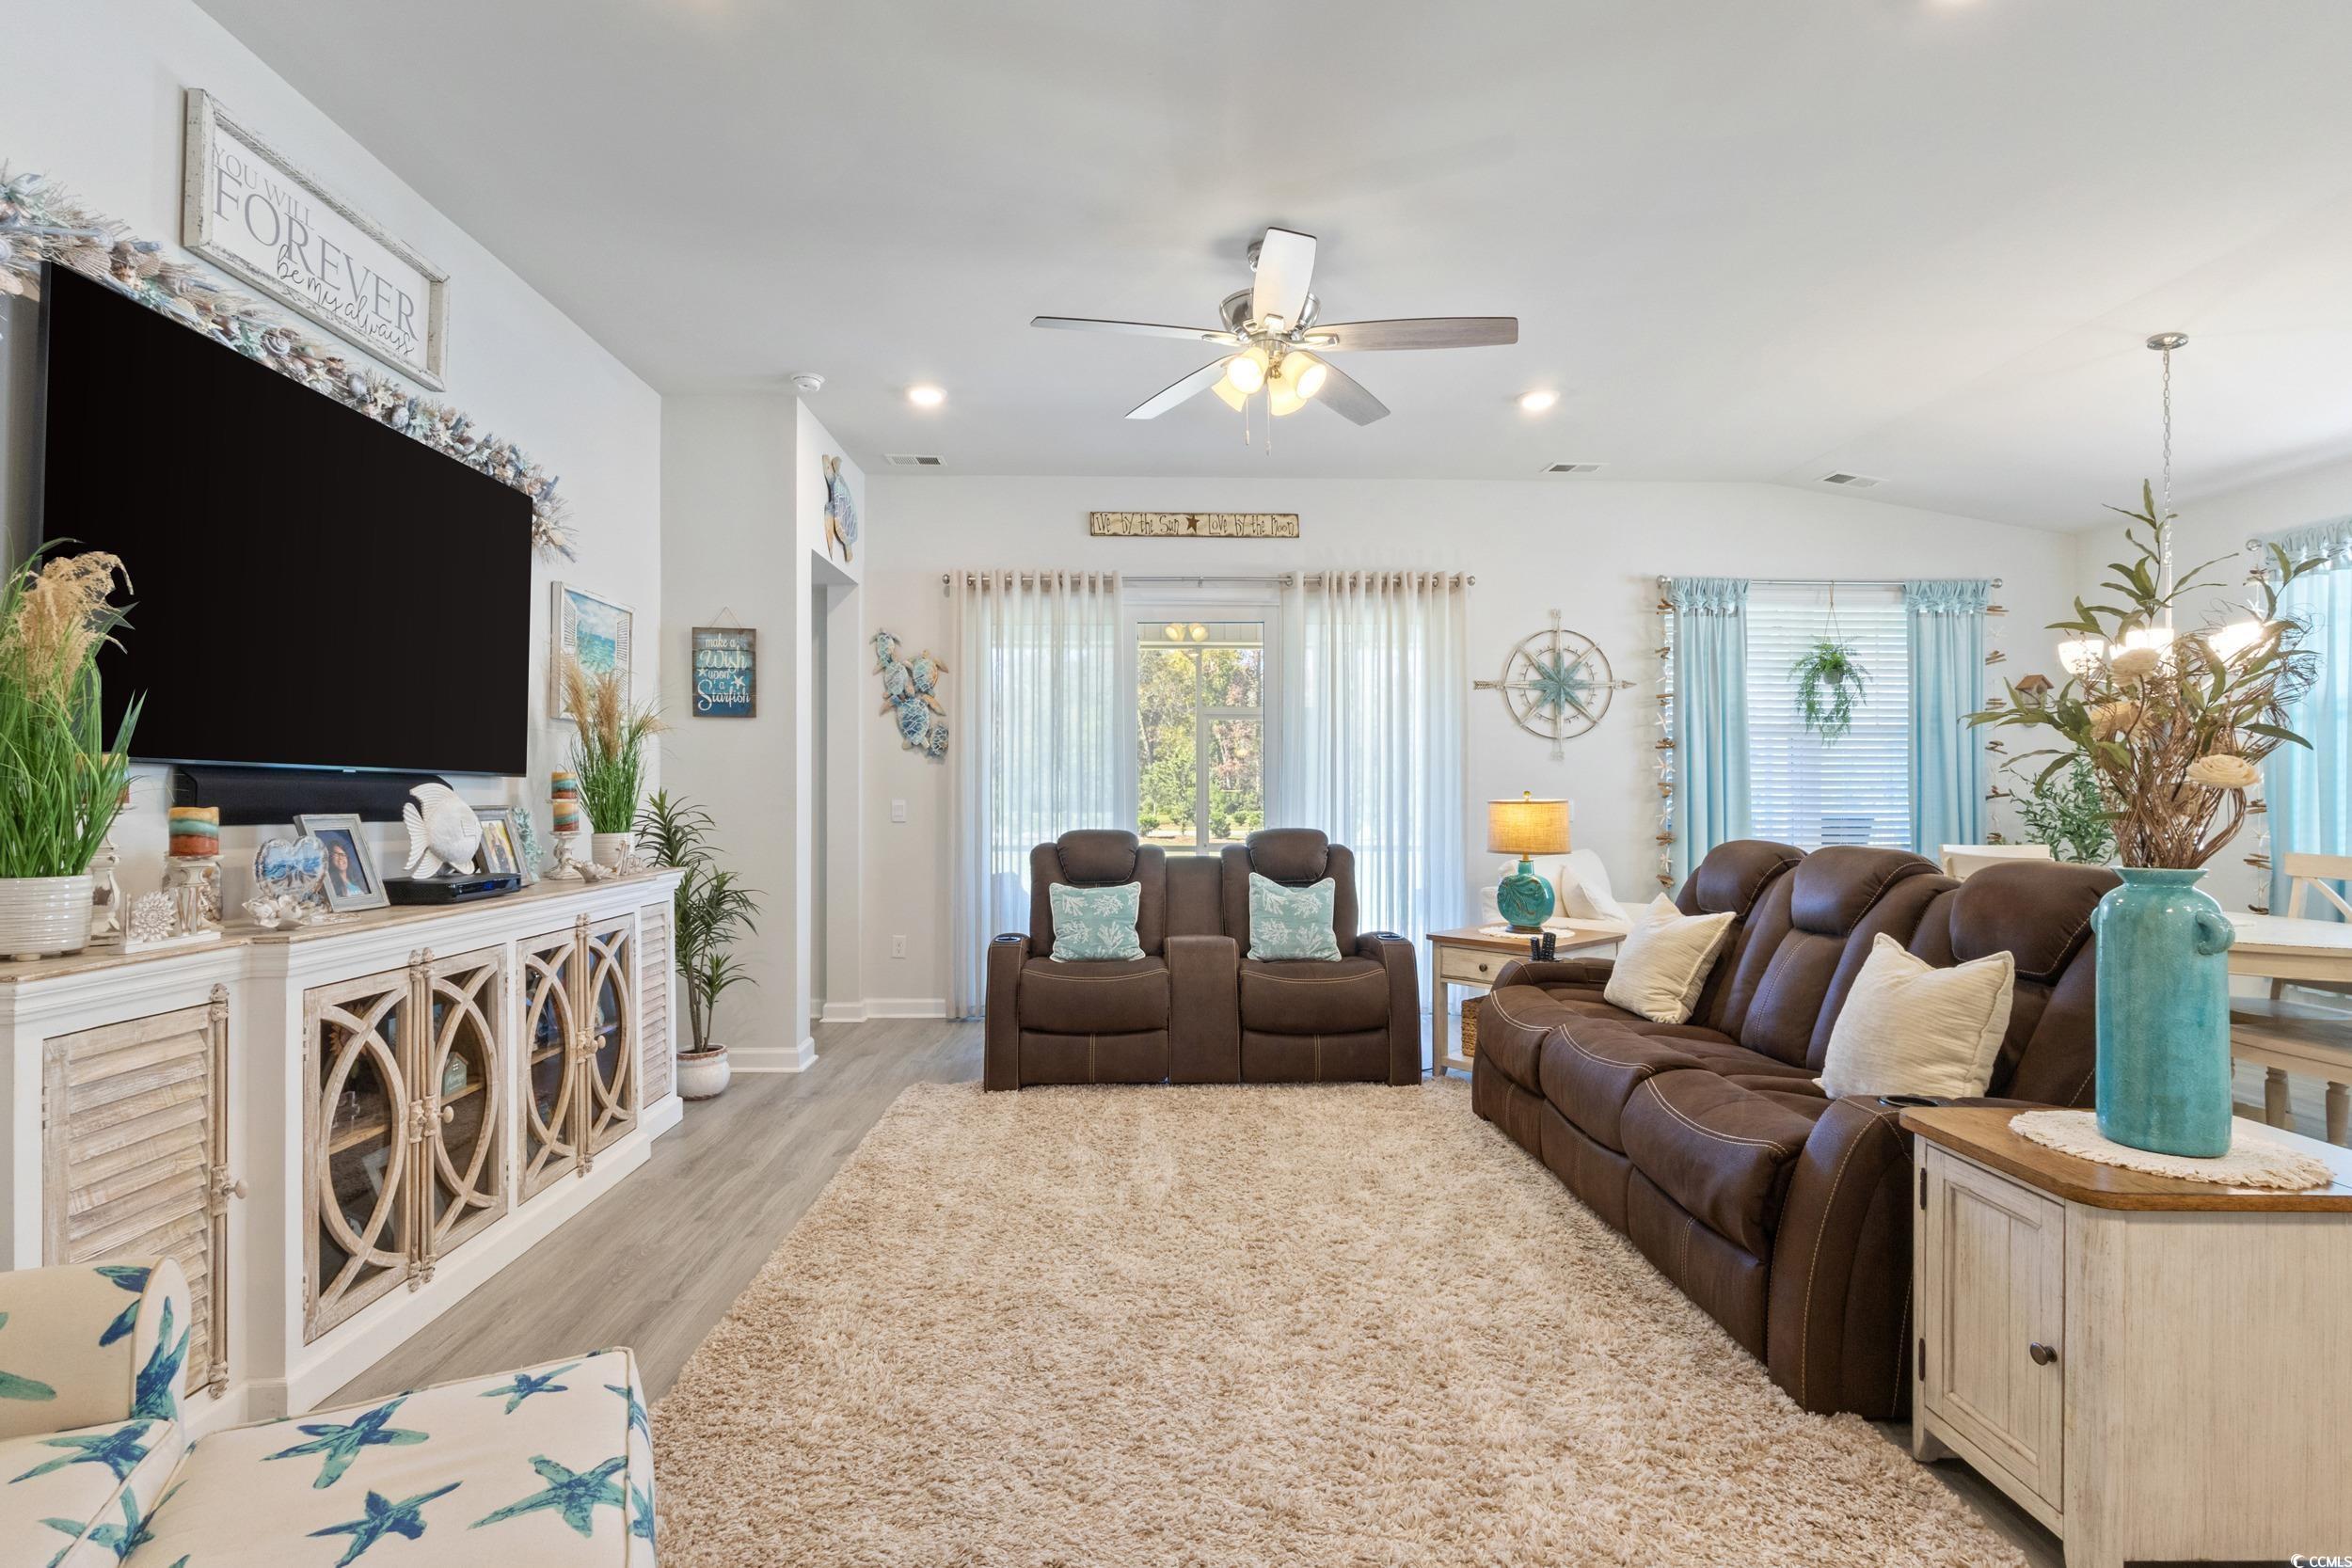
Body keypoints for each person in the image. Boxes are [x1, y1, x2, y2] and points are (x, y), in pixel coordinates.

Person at [326, 834, 369, 898]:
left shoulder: (358, 881)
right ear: (330, 858)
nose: (340, 858)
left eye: (343, 854)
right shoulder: (329, 885)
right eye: (336, 854)